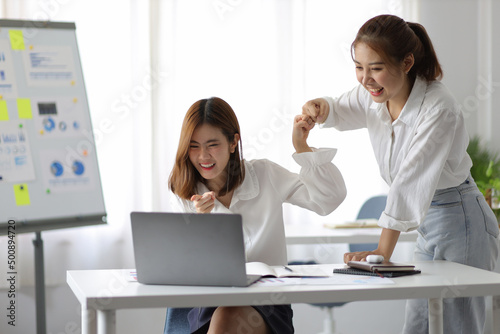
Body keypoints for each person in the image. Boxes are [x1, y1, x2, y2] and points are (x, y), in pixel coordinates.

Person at [302, 14, 499, 334]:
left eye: (376, 68)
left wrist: (382, 252)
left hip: (461, 220)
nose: (365, 79)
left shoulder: (438, 108)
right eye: (359, 67)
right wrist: (321, 107)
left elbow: (410, 180)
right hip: (428, 222)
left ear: (407, 62)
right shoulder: (374, 95)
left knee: (458, 326)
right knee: (419, 324)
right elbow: (340, 107)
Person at [168, 96, 346, 334]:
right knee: (223, 315)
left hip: (267, 301)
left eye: (212, 145)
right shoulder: (185, 193)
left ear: (233, 143)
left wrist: (302, 148)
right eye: (194, 146)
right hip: (210, 301)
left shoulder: (264, 174)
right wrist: (202, 224)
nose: (203, 156)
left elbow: (328, 199)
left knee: (227, 317)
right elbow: (184, 269)